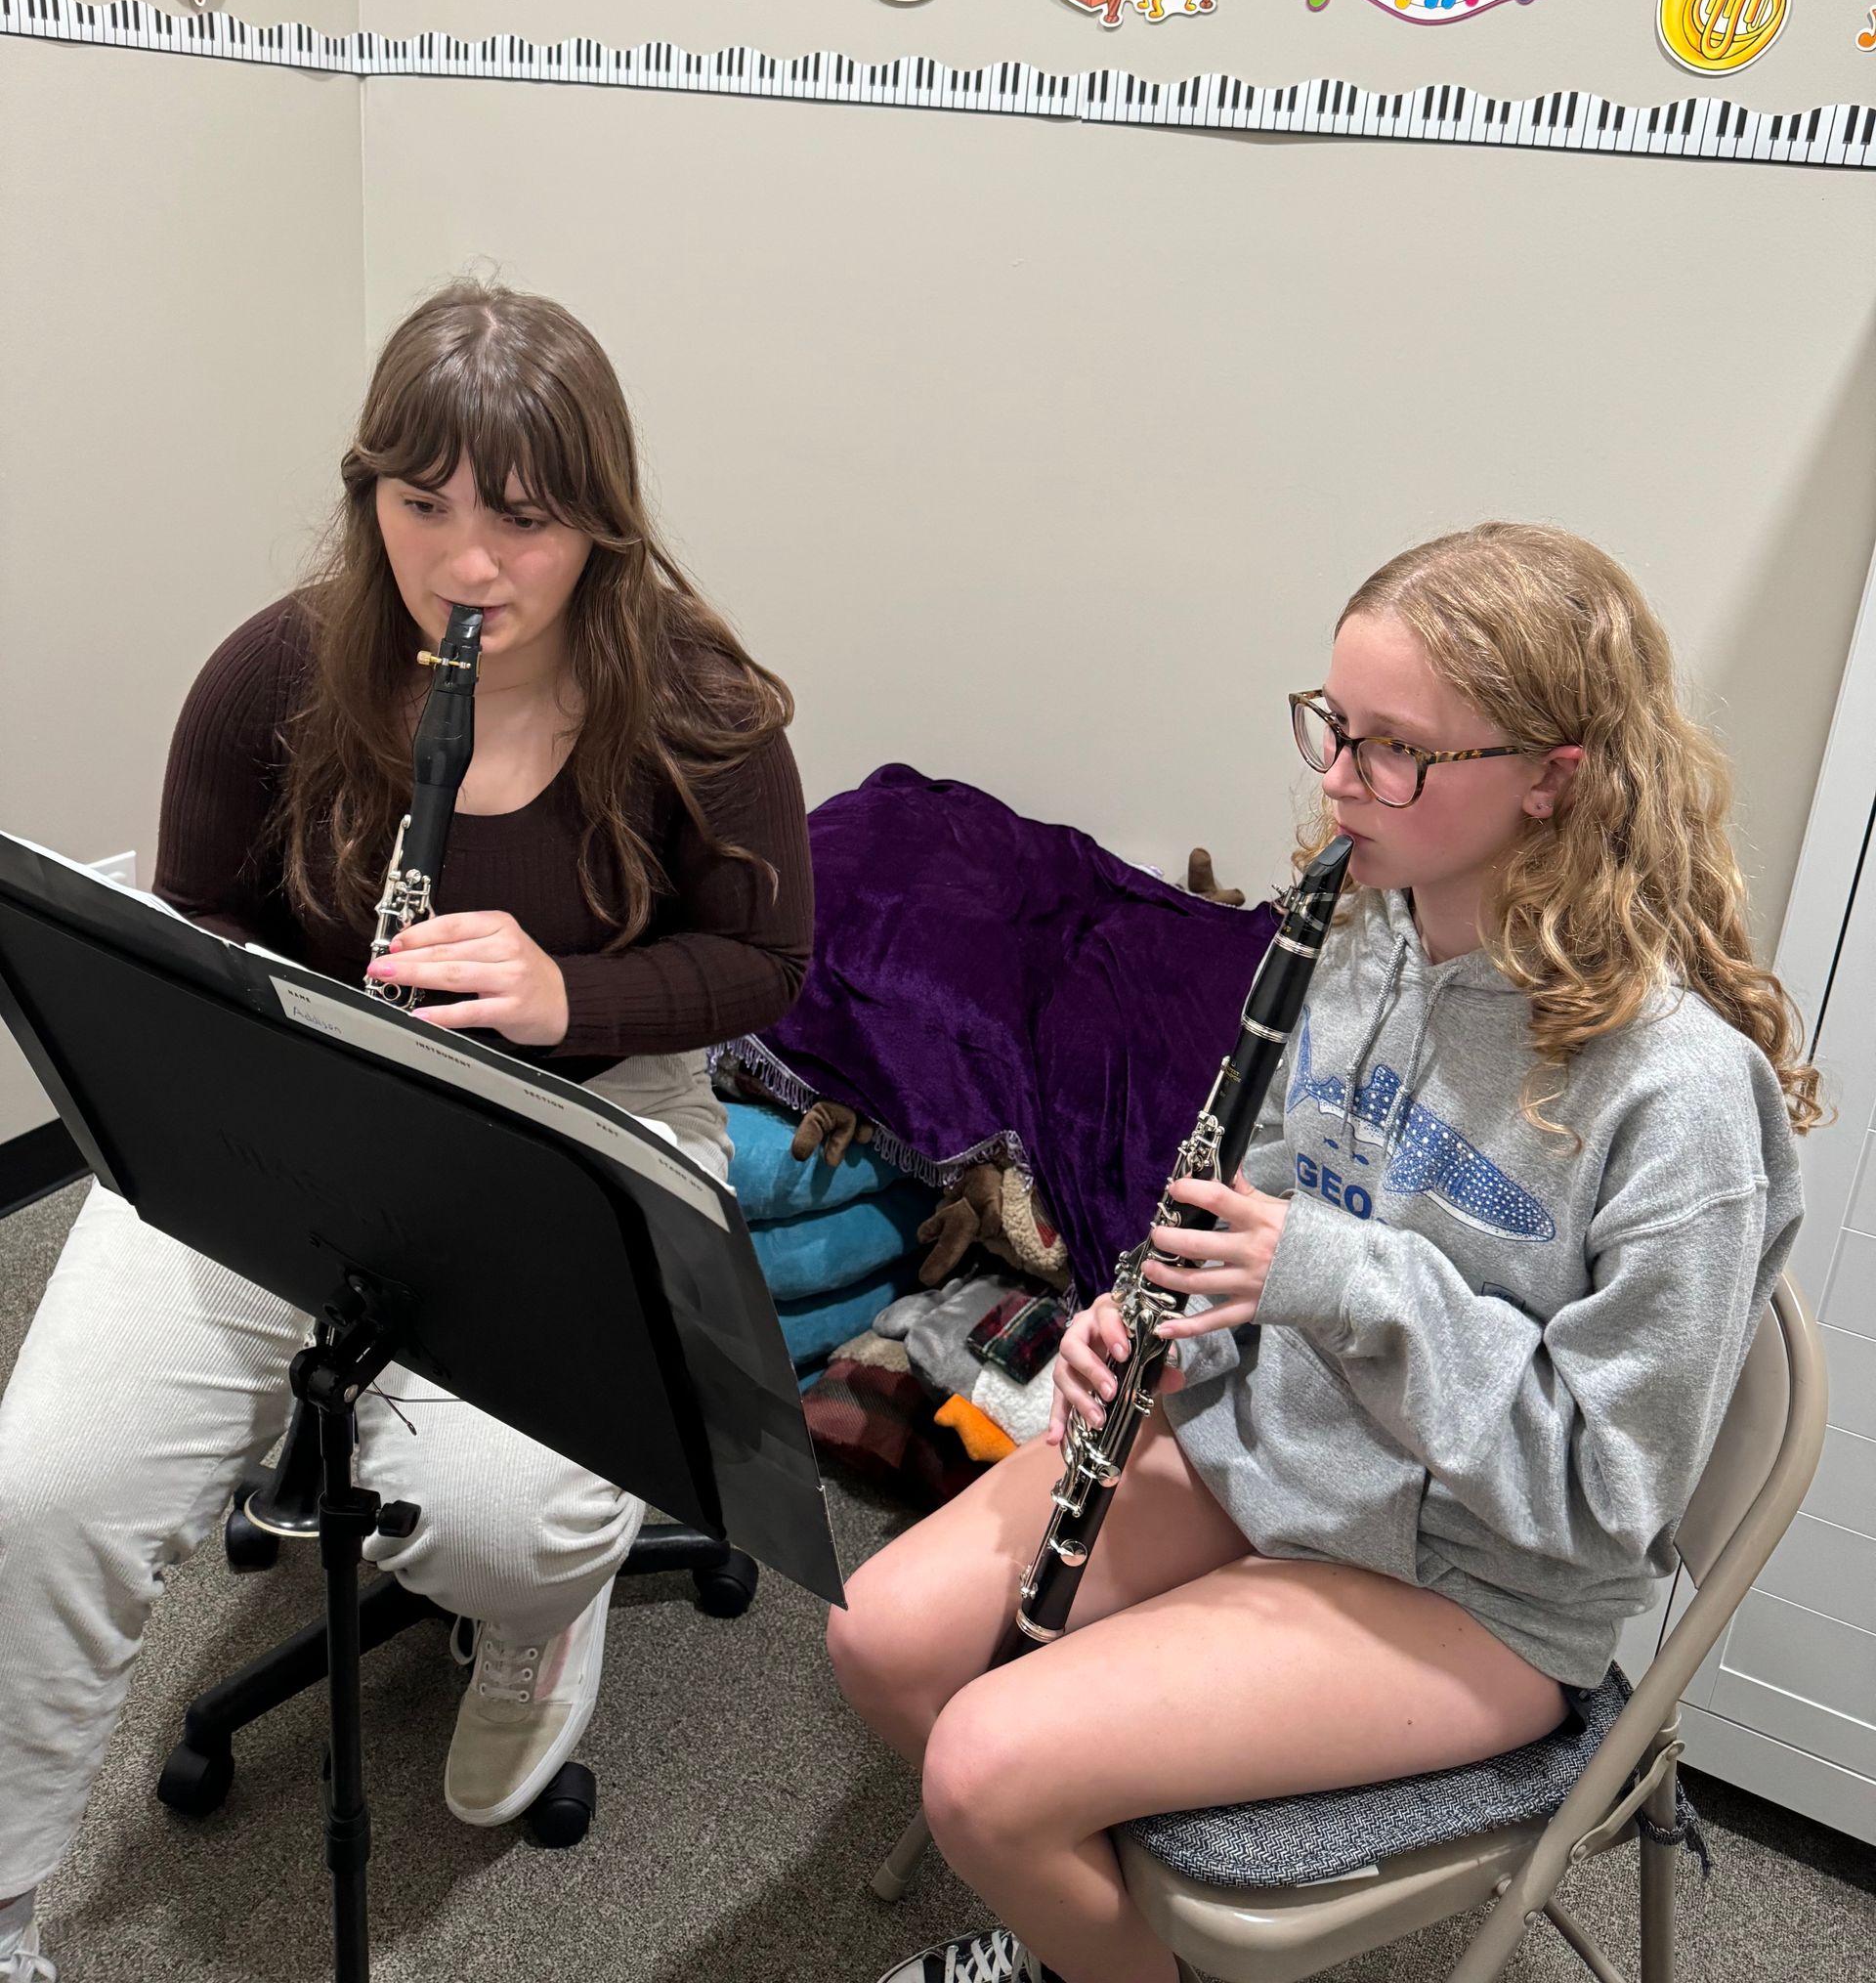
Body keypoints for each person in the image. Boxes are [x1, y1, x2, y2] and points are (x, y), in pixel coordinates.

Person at [829, 522, 1812, 1983]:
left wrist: (1338, 1281)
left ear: (1555, 774)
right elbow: (1254, 1208)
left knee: (985, 1766)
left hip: (1475, 1579)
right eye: (1333, 729)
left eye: (1395, 750)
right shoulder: (1363, 933)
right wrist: (1139, 1324)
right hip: (1271, 1446)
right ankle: (1076, 1930)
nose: (1340, 780)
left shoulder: (1677, 1096)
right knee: (884, 1641)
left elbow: (1608, 1495)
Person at [0, 280, 812, 1983]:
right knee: (45, 1488)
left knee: (511, 1527)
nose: (469, 563)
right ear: (368, 493)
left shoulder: (699, 701)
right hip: (294, 1098)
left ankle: (534, 1635)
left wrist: (566, 998)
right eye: (421, 503)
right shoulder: (275, 678)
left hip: (576, 1123)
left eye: (523, 518)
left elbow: (766, 958)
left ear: (601, 516)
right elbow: (198, 931)